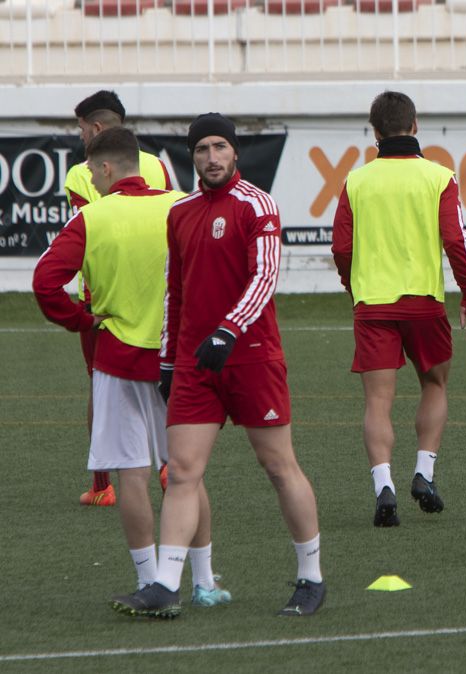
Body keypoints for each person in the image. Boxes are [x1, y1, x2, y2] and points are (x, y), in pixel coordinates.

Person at [110, 113, 325, 618]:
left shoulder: (258, 204)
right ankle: (165, 583)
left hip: (251, 358)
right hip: (194, 365)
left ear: (235, 153)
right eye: (202, 148)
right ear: (192, 156)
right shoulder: (179, 212)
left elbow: (265, 275)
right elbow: (175, 293)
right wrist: (168, 360)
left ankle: (311, 578)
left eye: (220, 147)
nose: (211, 157)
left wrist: (229, 329)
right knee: (182, 470)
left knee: (278, 466)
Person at [33, 127, 229, 606]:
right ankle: (203, 582)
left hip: (118, 360)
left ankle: (149, 581)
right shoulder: (182, 206)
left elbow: (44, 282)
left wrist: (80, 320)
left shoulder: (93, 217)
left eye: (92, 173)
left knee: (133, 476)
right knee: (187, 474)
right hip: (178, 361)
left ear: (103, 168)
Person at [332, 91, 466, 527]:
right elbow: (457, 243)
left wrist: (352, 285)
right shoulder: (438, 177)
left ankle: (384, 485)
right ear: (415, 125)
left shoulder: (356, 181)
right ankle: (424, 473)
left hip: (373, 304)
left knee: (378, 401)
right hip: (425, 304)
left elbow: (342, 248)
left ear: (374, 131)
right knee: (434, 385)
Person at [65, 89, 174, 507]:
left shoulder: (81, 173)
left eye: (80, 129)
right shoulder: (157, 166)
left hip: (105, 299)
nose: (79, 137)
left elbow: (84, 231)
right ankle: (168, 463)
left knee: (102, 384)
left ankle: (101, 484)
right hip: (158, 293)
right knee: (162, 377)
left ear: (95, 129)